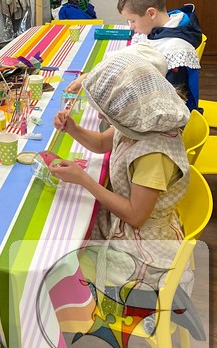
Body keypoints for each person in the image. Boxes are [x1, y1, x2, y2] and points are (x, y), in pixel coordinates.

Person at [51, 44, 191, 292]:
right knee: (72, 222)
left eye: (105, 113)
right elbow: (102, 143)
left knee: (62, 262)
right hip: (125, 223)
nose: (101, 118)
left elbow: (136, 215)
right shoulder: (138, 119)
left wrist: (84, 179)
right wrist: (73, 128)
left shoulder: (154, 155)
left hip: (144, 249)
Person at [67, 0, 202, 111]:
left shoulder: (176, 50)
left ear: (151, 13)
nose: (131, 27)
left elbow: (170, 103)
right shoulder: (157, 28)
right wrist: (90, 76)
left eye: (133, 21)